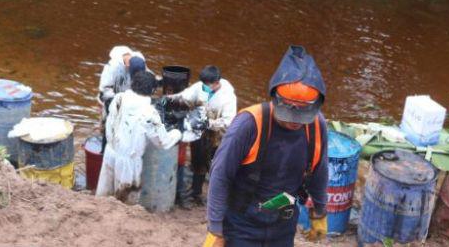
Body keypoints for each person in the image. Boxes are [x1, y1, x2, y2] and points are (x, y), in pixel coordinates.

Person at [203, 46, 329, 247]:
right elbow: (220, 175)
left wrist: (320, 210)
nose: (295, 122)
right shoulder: (250, 124)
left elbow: (319, 170)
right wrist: (216, 228)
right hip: (241, 224)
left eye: (302, 116)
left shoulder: (316, 127)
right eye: (290, 116)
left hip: (283, 224)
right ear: (276, 100)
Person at [96, 70, 183, 203]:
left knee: (103, 196)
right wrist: (177, 133)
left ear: (132, 84)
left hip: (110, 152)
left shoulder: (118, 98)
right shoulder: (149, 113)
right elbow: (162, 142)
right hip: (128, 163)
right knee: (125, 203)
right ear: (153, 91)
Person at [167, 65, 237, 206]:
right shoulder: (201, 85)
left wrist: (208, 123)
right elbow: (185, 96)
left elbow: (229, 121)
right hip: (198, 133)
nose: (204, 87)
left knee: (215, 165)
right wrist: (169, 99)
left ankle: (216, 194)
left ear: (217, 83)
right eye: (203, 85)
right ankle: (196, 193)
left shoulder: (228, 97)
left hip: (216, 137)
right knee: (197, 163)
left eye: (207, 86)